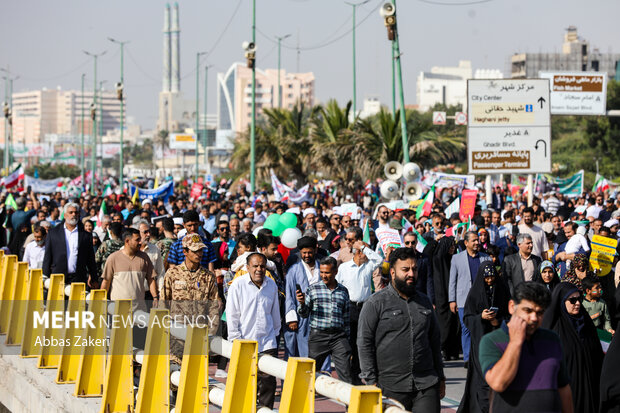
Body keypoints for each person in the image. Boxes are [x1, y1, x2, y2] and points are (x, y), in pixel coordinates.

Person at [358, 247, 445, 412]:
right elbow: (364, 343)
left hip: (426, 384)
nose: (411, 274)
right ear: (392, 272)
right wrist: (371, 381)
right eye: (405, 269)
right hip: (390, 387)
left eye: (414, 269)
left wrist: (440, 377)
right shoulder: (375, 303)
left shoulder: (425, 302)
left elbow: (434, 341)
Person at [480, 282, 573, 413]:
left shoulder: (552, 340)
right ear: (512, 307)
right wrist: (516, 342)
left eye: (540, 312)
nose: (534, 318)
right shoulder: (491, 341)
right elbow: (498, 383)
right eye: (528, 310)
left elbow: (563, 387)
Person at [225, 253, 280, 409]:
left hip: (267, 341)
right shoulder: (238, 285)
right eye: (255, 266)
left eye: (262, 266)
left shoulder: (271, 285)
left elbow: (275, 313)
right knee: (245, 384)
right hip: (245, 342)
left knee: (268, 384)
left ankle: (265, 410)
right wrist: (235, 340)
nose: (259, 270)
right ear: (247, 267)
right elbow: (232, 315)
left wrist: (274, 335)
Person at [542, 282, 604, 413]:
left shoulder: (586, 324)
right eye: (572, 300)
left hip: (591, 389)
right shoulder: (554, 330)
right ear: (562, 301)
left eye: (579, 299)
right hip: (568, 393)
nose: (577, 303)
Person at [459, 261, 511, 413]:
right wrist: (480, 317)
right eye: (486, 278)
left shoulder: (502, 291)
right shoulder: (475, 293)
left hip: (499, 343)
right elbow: (467, 318)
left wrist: (498, 321)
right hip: (480, 342)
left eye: (491, 277)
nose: (489, 281)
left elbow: (510, 315)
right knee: (483, 380)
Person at [162, 233, 220, 364]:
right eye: (195, 250)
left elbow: (214, 308)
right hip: (175, 338)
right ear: (185, 252)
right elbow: (163, 304)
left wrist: (210, 334)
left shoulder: (208, 277)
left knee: (197, 379)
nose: (199, 253)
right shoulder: (172, 274)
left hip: (198, 336)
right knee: (174, 378)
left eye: (201, 250)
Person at [296, 257, 352, 383]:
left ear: (335, 272)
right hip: (318, 336)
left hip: (339, 337)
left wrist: (347, 341)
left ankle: (349, 403)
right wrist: (302, 304)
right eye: (321, 272)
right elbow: (304, 314)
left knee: (346, 373)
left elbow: (346, 318)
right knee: (310, 373)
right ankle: (305, 401)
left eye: (327, 272)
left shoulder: (343, 291)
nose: (323, 275)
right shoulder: (312, 289)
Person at [336, 238, 382, 384]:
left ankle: (356, 375)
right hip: (348, 307)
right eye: (364, 251)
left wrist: (364, 247)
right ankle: (346, 374)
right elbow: (337, 286)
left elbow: (379, 259)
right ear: (358, 253)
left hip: (364, 307)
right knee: (346, 343)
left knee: (360, 342)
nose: (368, 254)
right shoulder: (344, 267)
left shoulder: (368, 266)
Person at [449, 231, 492, 364]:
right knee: (466, 328)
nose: (477, 242)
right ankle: (467, 358)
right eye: (473, 240)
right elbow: (453, 281)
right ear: (466, 242)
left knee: (482, 327)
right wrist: (452, 300)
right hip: (463, 299)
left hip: (481, 299)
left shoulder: (486, 258)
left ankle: (482, 356)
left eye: (477, 240)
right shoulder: (456, 258)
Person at [101, 228, 159, 312]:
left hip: (140, 310)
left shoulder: (145, 258)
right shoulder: (113, 258)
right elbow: (106, 282)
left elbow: (151, 279)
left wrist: (155, 297)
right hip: (118, 310)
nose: (140, 242)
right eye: (137, 240)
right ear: (127, 241)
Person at [42, 202, 98, 287]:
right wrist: (45, 277)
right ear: (64, 215)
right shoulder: (53, 233)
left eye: (76, 212)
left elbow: (90, 258)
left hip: (78, 278)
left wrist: (94, 278)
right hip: (58, 278)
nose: (73, 215)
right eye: (71, 212)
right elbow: (47, 257)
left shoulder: (85, 235)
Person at [284, 236, 321, 358]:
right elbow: (289, 295)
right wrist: (291, 318)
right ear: (300, 252)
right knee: (299, 349)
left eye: (310, 252)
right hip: (301, 317)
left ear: (315, 250)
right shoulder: (293, 271)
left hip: (320, 315)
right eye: (304, 252)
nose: (307, 255)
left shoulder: (322, 268)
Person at [430, 235, 461, 361]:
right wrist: (435, 240)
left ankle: (452, 351)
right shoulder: (438, 259)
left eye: (454, 245)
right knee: (444, 326)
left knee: (454, 325)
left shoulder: (454, 259)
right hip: (441, 298)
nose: (453, 248)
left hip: (453, 297)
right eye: (450, 245)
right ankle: (443, 349)